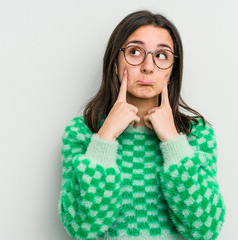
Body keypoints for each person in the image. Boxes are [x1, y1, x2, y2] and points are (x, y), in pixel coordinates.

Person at [58, 10, 226, 240]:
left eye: (162, 55)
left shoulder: (197, 134)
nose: (148, 66)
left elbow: (205, 229)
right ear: (115, 64)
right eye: (135, 52)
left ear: (172, 70)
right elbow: (82, 228)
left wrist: (173, 142)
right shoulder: (82, 131)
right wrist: (104, 139)